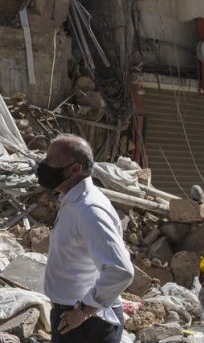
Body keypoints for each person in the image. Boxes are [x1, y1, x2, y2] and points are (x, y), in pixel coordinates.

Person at [36, 134, 135, 343]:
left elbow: (121, 270)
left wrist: (84, 311)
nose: (44, 164)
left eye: (51, 160)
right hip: (72, 318)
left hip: (88, 324)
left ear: (75, 169)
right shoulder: (71, 200)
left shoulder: (90, 210)